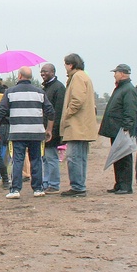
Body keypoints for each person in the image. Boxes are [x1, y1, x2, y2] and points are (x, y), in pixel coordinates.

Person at [0, 66, 54, 199]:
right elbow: (51, 112)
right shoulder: (40, 92)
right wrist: (49, 129)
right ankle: (38, 188)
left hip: (17, 133)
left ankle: (15, 189)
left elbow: (1, 111)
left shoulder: (10, 92)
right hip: (36, 133)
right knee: (36, 160)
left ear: (19, 76)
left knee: (17, 160)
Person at [59, 53, 97, 196]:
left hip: (77, 125)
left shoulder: (77, 78)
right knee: (80, 157)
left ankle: (77, 187)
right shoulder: (83, 76)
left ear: (70, 65)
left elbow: (77, 100)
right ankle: (79, 185)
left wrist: (67, 114)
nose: (65, 67)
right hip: (83, 126)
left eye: (65, 64)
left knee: (74, 157)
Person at [99, 64, 137, 195]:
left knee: (124, 158)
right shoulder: (121, 88)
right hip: (116, 129)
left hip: (121, 130)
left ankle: (126, 186)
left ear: (122, 73)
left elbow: (130, 110)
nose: (114, 75)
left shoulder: (128, 89)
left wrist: (126, 128)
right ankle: (119, 184)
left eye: (115, 73)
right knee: (117, 157)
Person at [40, 63, 66, 194]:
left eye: (45, 71)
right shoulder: (46, 88)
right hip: (43, 128)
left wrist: (53, 130)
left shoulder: (58, 88)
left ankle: (54, 184)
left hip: (52, 130)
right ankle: (46, 182)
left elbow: (58, 111)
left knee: (51, 158)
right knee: (45, 158)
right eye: (41, 71)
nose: (43, 74)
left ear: (53, 72)